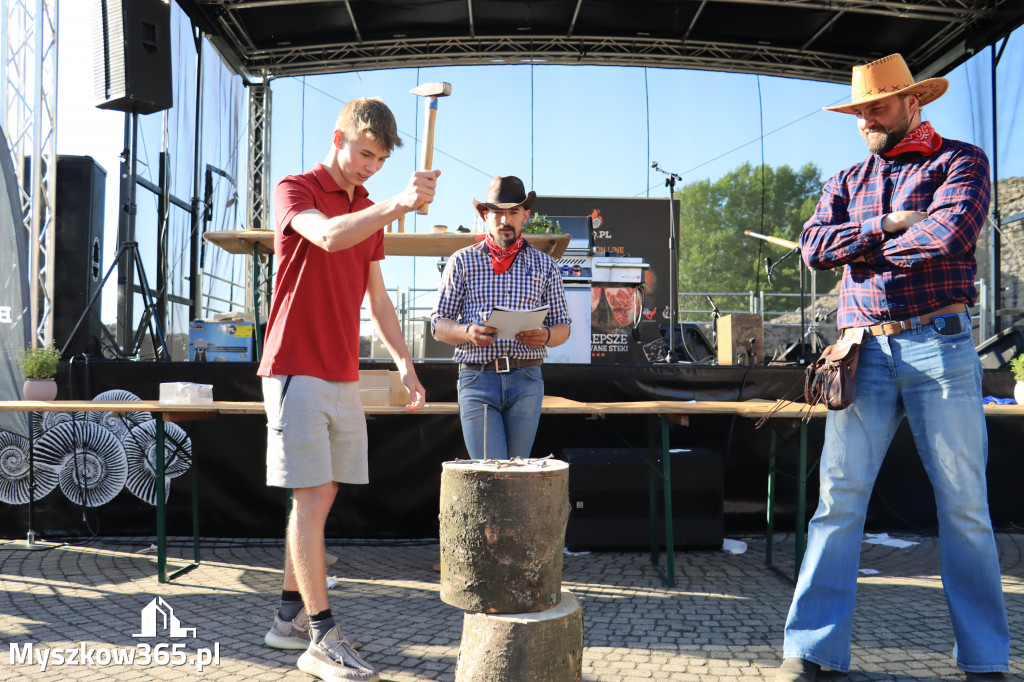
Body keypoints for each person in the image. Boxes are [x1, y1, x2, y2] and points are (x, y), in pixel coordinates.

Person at [776, 54, 1009, 682]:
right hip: (862, 349)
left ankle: (986, 660)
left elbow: (951, 235)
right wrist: (887, 224)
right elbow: (811, 248)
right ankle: (813, 652)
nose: (865, 120)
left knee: (964, 506)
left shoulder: (961, 161)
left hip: (942, 344)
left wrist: (861, 246)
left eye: (876, 106)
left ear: (913, 102)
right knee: (837, 502)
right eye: (858, 111)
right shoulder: (848, 178)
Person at [257, 97, 431, 682]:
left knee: (320, 496)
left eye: (380, 160)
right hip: (295, 365)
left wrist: (405, 361)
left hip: (342, 371)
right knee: (310, 499)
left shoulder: (365, 205)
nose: (369, 167)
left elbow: (377, 298)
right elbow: (328, 238)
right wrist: (397, 203)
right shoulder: (294, 188)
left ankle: (286, 620)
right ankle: (321, 638)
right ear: (339, 137)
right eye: (363, 153)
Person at [431, 176, 570, 459]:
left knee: (517, 474)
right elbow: (438, 325)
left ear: (525, 216)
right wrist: (468, 332)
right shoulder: (462, 261)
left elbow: (563, 328)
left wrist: (545, 336)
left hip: (527, 378)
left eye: (513, 212)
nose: (505, 219)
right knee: (490, 472)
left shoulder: (545, 264)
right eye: (497, 212)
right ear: (485, 215)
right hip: (477, 377)